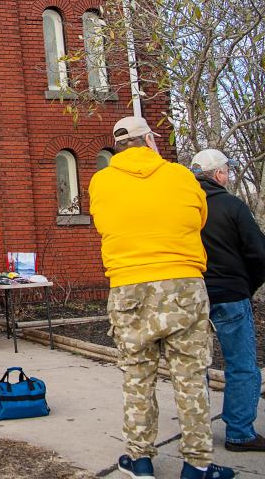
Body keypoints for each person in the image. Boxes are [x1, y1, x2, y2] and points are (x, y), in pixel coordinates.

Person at [89, 116, 233, 479]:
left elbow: (102, 222)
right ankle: (197, 464)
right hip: (183, 284)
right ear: (150, 141)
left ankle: (140, 461)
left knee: (137, 377)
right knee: (190, 377)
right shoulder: (181, 176)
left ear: (118, 146)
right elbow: (199, 219)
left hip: (129, 285)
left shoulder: (102, 181)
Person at [191, 148, 265, 452]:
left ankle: (197, 433)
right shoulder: (232, 206)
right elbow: (259, 252)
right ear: (218, 174)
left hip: (194, 295)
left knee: (196, 367)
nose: (228, 175)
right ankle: (239, 432)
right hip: (232, 294)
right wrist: (248, 285)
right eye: (226, 170)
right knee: (242, 365)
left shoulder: (184, 208)